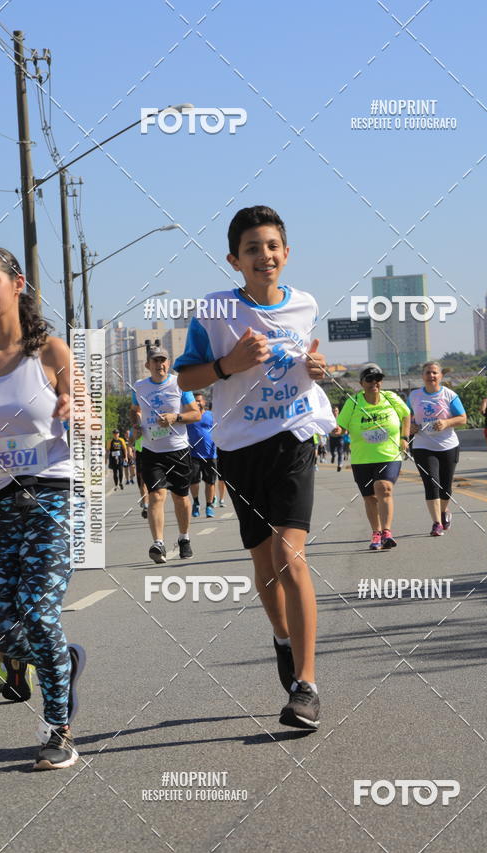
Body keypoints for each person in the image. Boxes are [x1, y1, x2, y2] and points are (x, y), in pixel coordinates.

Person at [175, 205, 335, 730]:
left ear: (285, 253)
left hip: (293, 438)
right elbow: (186, 380)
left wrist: (317, 369)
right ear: (234, 260)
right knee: (265, 562)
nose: (263, 255)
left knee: (292, 555)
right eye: (251, 249)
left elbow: (308, 361)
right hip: (240, 447)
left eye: (271, 246)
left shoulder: (306, 303)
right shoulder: (216, 310)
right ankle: (283, 640)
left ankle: (306, 686)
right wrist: (228, 366)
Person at [0, 247, 86, 770]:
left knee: (37, 611)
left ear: (17, 284)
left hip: (50, 496)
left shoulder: (49, 352)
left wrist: (78, 406)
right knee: (6, 629)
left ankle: (58, 729)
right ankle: (62, 659)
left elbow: (85, 408)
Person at [130, 346, 200, 563]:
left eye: (163, 360)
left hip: (178, 449)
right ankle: (158, 543)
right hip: (152, 450)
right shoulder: (139, 387)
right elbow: (134, 410)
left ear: (168, 364)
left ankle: (184, 538)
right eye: (155, 361)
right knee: (156, 496)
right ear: (147, 365)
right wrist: (136, 425)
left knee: (181, 498)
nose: (159, 364)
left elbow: (196, 414)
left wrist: (175, 418)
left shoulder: (179, 384)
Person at [337, 364, 410, 550]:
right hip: (362, 459)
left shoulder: (391, 398)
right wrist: (334, 429)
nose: (374, 383)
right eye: (369, 379)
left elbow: (406, 414)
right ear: (361, 383)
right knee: (369, 497)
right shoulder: (353, 403)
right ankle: (376, 533)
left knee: (383, 487)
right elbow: (341, 426)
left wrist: (404, 437)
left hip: (389, 455)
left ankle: (386, 532)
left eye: (377, 379)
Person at [408, 361, 467, 536]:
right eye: (428, 373)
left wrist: (447, 422)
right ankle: (436, 523)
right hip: (422, 445)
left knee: (445, 487)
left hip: (448, 445)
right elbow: (406, 417)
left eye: (434, 373)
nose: (431, 376)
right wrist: (410, 426)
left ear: (440, 376)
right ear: (422, 376)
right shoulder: (414, 396)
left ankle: (443, 511)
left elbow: (463, 418)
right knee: (431, 483)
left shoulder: (450, 395)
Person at [187, 392, 217, 518]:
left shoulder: (211, 415)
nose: (198, 403)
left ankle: (209, 505)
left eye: (199, 400)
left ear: (204, 402)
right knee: (194, 480)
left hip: (210, 454)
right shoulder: (189, 417)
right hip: (193, 454)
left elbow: (218, 430)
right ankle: (196, 503)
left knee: (210, 482)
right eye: (195, 401)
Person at [329, 406, 344, 471]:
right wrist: (331, 431)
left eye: (336, 411)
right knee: (332, 451)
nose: (335, 412)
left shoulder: (341, 418)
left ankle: (339, 464)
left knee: (340, 451)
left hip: (340, 437)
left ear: (338, 411)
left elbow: (345, 427)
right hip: (332, 437)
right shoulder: (330, 419)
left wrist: (344, 431)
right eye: (333, 411)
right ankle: (333, 455)